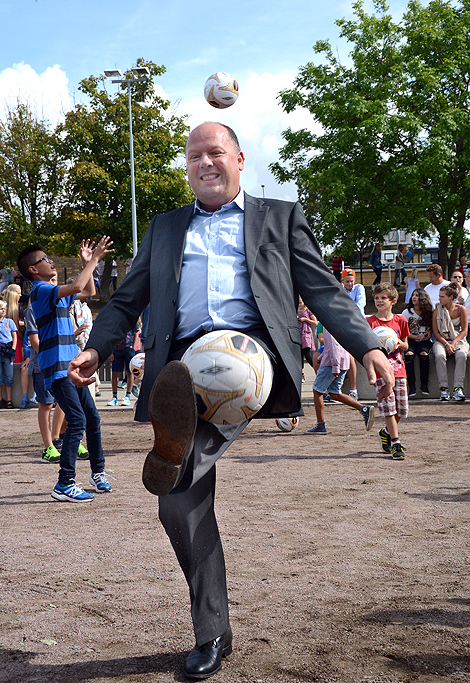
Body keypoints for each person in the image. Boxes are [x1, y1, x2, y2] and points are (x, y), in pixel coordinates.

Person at [67, 122, 393, 679]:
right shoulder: (165, 227)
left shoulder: (280, 217)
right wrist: (97, 348)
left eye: (215, 152)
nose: (205, 163)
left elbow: (322, 289)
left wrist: (368, 347)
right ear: (188, 167)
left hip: (250, 353)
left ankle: (179, 438)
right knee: (177, 504)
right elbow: (126, 300)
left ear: (239, 160)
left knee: (224, 378)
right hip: (181, 361)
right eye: (194, 156)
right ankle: (213, 628)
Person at [17, 237, 114, 503]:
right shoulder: (40, 291)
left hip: (71, 365)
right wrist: (95, 259)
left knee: (92, 418)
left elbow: (88, 291)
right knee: (78, 420)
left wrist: (86, 264)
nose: (51, 262)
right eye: (45, 259)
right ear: (33, 269)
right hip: (57, 367)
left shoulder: (54, 294)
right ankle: (65, 483)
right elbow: (78, 286)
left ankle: (98, 472)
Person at [366, 283, 410, 460]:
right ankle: (396, 443)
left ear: (393, 301)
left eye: (383, 298)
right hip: (381, 372)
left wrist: (399, 344)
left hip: (399, 370)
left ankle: (385, 433)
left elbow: (406, 345)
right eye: (376, 298)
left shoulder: (400, 320)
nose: (379, 301)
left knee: (401, 410)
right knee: (389, 409)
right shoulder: (370, 322)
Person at [304, 327, 375, 434]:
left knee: (317, 391)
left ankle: (320, 425)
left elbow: (334, 346)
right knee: (334, 393)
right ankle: (364, 409)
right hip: (343, 360)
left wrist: (335, 366)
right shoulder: (336, 322)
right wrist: (321, 357)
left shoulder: (327, 323)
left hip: (332, 363)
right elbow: (334, 344)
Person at [24, 293, 67, 463]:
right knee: (46, 404)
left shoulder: (59, 306)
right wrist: (50, 358)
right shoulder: (32, 308)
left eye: (55, 281)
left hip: (62, 363)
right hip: (43, 364)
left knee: (65, 401)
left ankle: (61, 439)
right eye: (50, 281)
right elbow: (34, 340)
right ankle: (48, 447)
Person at [432, 283, 468, 402]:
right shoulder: (437, 310)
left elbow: (464, 331)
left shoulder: (461, 309)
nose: (439, 299)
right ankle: (444, 389)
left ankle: (458, 388)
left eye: (442, 296)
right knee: (439, 355)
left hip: (458, 339)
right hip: (442, 340)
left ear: (451, 297)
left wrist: (453, 343)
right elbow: (436, 333)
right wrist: (446, 344)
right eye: (439, 296)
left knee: (461, 355)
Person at [401, 288, 433, 396]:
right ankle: (411, 386)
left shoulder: (428, 312)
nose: (414, 297)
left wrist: (429, 332)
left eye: (417, 295)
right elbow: (404, 332)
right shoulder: (407, 312)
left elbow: (432, 327)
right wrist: (415, 337)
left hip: (424, 340)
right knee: (409, 354)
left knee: (424, 354)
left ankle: (424, 384)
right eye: (413, 295)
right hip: (410, 339)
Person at [340, 268, 366, 400]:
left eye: (351, 281)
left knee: (350, 357)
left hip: (357, 324)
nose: (350, 284)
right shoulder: (340, 290)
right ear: (342, 281)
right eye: (347, 281)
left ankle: (353, 390)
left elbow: (360, 305)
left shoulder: (359, 288)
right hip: (345, 325)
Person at [107, 325, 139, 406]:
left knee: (129, 372)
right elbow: (109, 336)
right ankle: (114, 397)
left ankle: (127, 396)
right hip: (116, 349)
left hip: (129, 348)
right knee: (114, 373)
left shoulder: (132, 319)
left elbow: (135, 334)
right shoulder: (113, 320)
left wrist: (133, 349)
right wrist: (110, 352)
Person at [0, 299, 17, 409]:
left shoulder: (9, 322)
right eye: (1, 309)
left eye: (4, 309)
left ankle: (9, 399)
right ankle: (0, 399)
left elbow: (14, 336)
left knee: (9, 376)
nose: (3, 311)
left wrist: (13, 349)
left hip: (7, 350)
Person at [297, 296, 317, 383]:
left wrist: (305, 319)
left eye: (301, 302)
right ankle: (302, 374)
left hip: (306, 333)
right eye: (298, 303)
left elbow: (315, 322)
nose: (300, 304)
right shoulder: (295, 310)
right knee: (300, 355)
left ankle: (318, 370)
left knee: (307, 355)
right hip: (298, 333)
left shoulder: (307, 310)